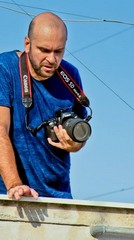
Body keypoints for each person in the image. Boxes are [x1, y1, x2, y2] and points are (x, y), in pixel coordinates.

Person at [0, 12, 89, 200]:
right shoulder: (5, 68)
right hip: (10, 195)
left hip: (58, 198)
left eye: (58, 51)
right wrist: (15, 185)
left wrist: (75, 145)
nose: (51, 59)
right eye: (44, 50)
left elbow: (79, 131)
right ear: (27, 44)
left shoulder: (70, 75)